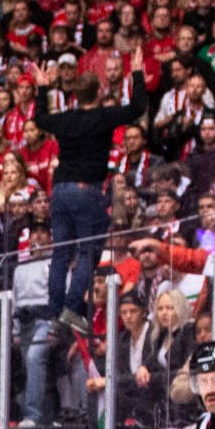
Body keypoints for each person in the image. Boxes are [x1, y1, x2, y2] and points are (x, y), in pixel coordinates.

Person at [35, 47, 147, 337]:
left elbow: (40, 118)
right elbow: (137, 108)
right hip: (87, 191)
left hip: (59, 190)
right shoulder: (103, 116)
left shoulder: (64, 118)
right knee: (87, 251)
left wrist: (43, 87)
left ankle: (55, 311)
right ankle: (71, 311)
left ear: (75, 96)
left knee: (61, 253)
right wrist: (137, 73)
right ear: (99, 93)